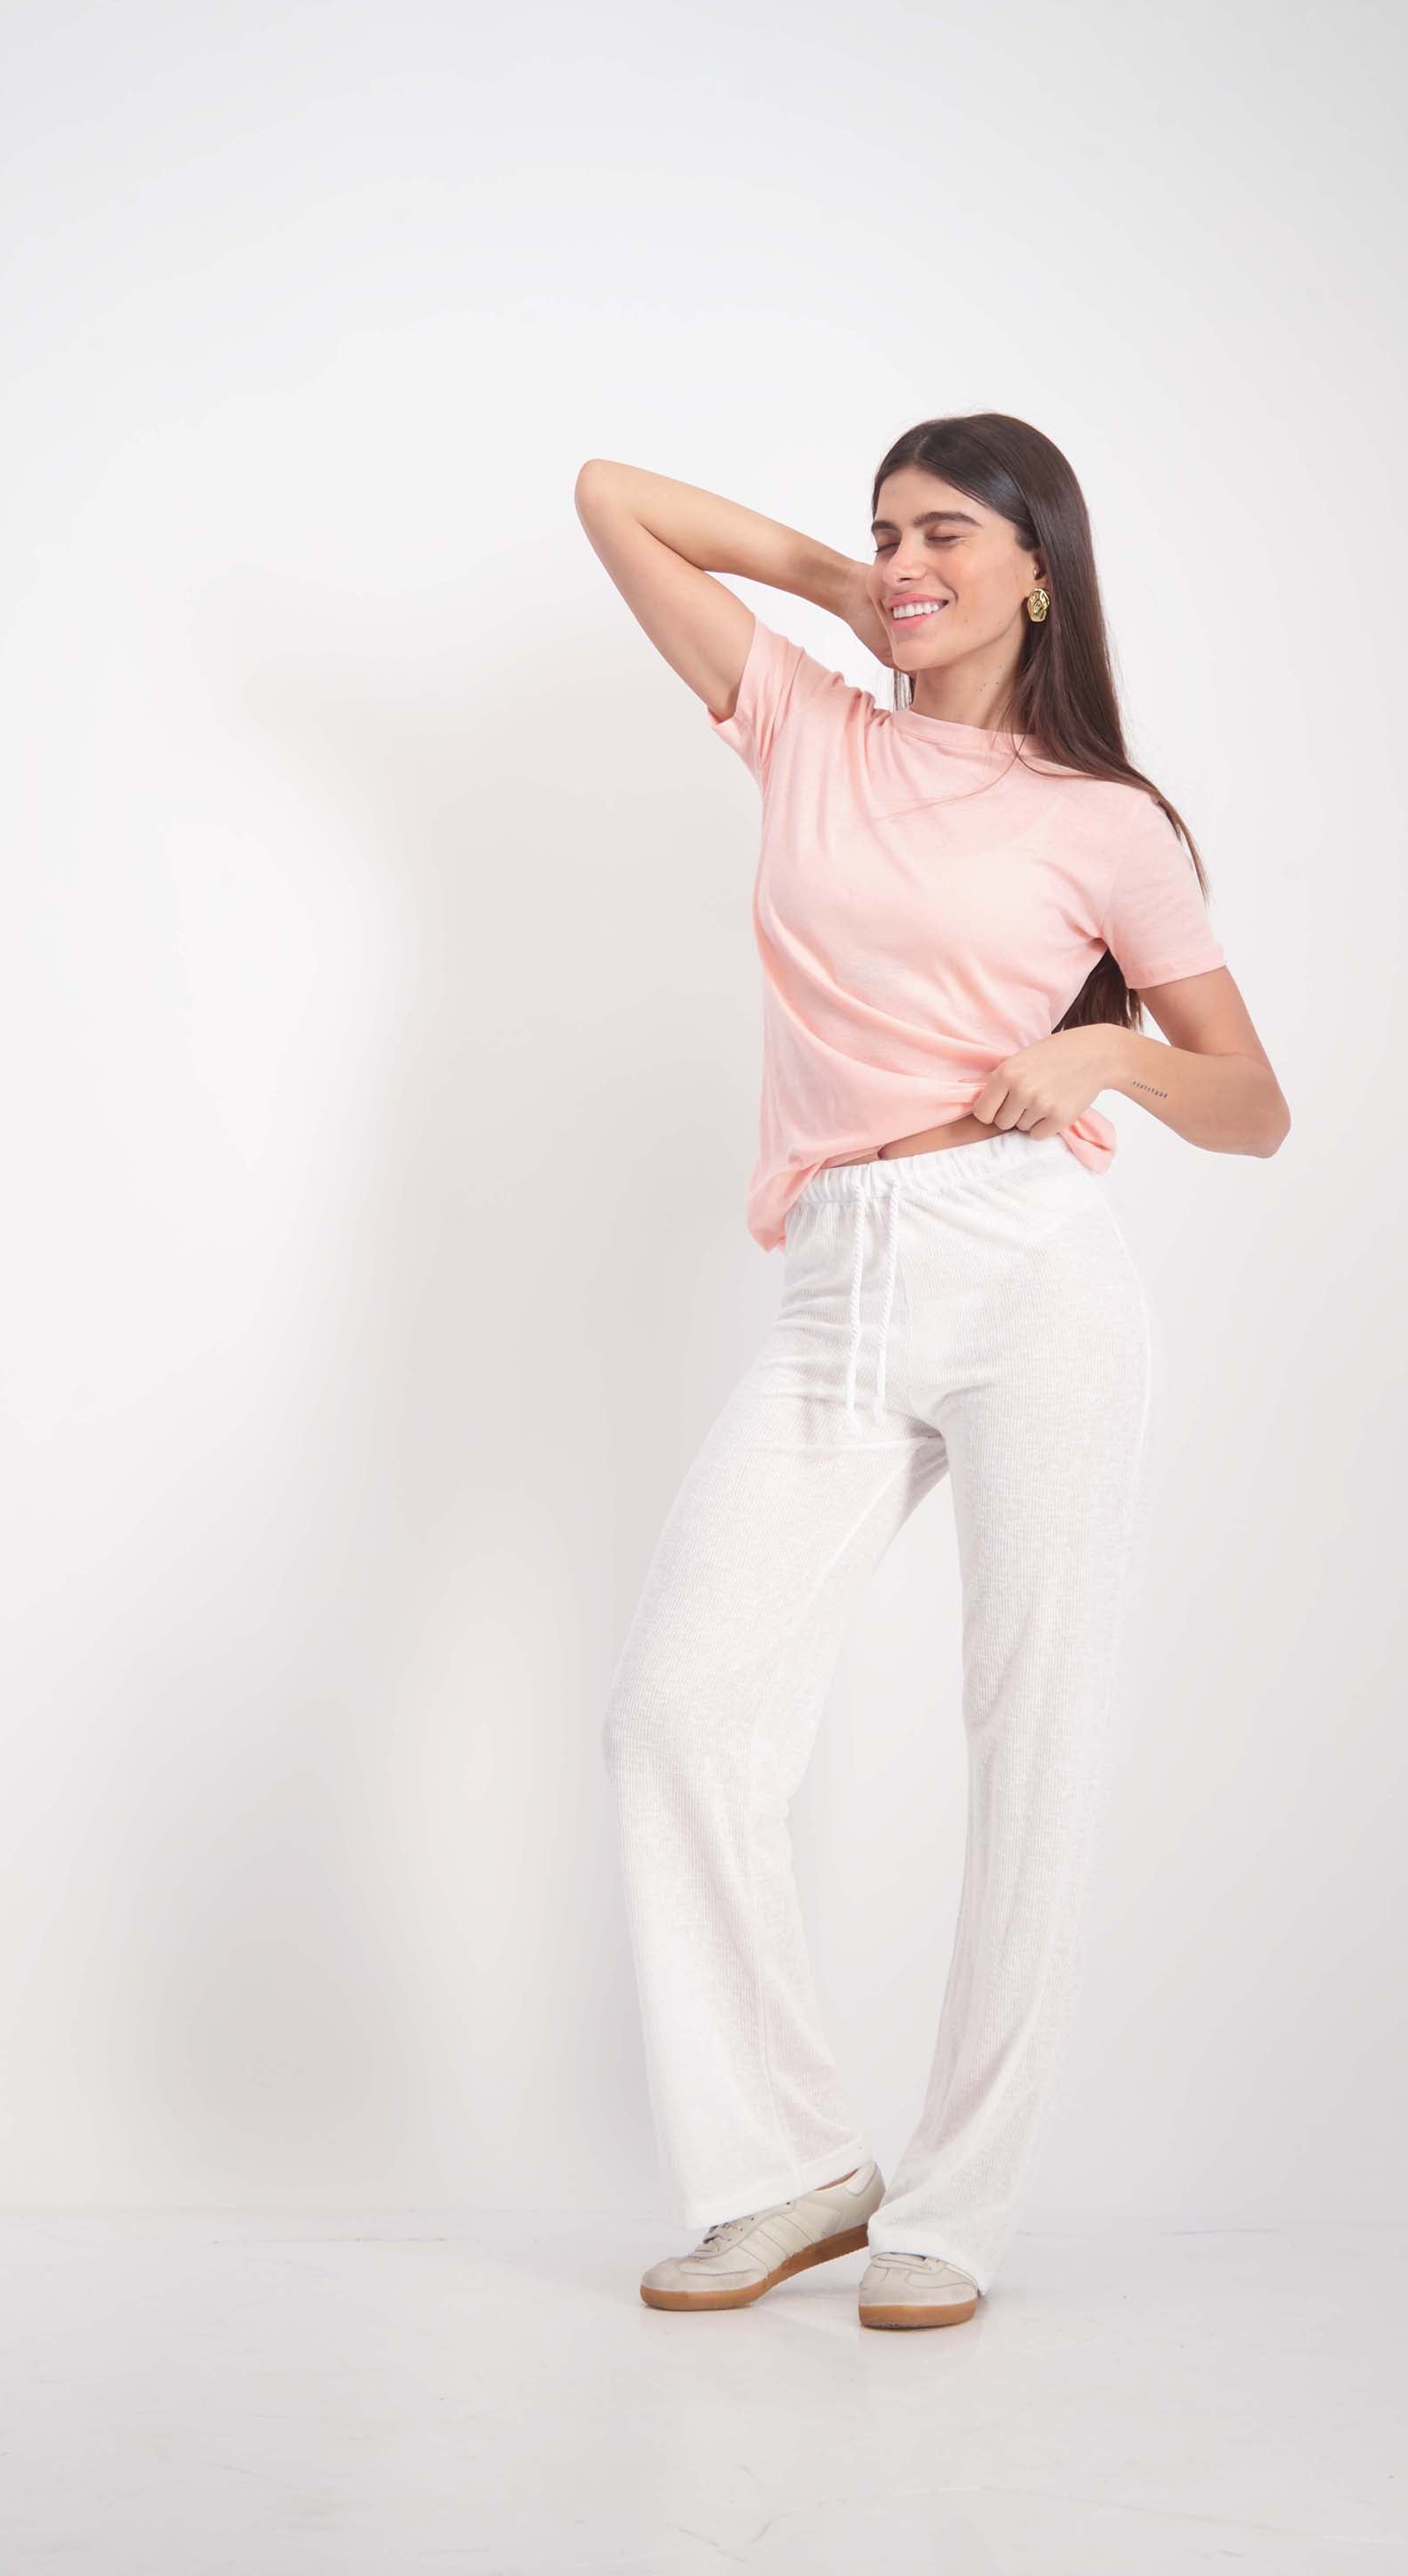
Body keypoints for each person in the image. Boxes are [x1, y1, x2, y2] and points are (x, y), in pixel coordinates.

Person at [577, 413, 1289, 2331]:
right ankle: (793, 2171)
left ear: (1041, 566)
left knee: (1025, 1741)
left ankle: (956, 2209)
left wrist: (1112, 1053)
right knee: (676, 1717)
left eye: (949, 533)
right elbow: (612, 499)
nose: (905, 558)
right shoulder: (807, 725)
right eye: (886, 528)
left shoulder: (1106, 823)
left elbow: (1255, 1104)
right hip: (837, 1279)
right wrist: (848, 593)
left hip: (1025, 1265)